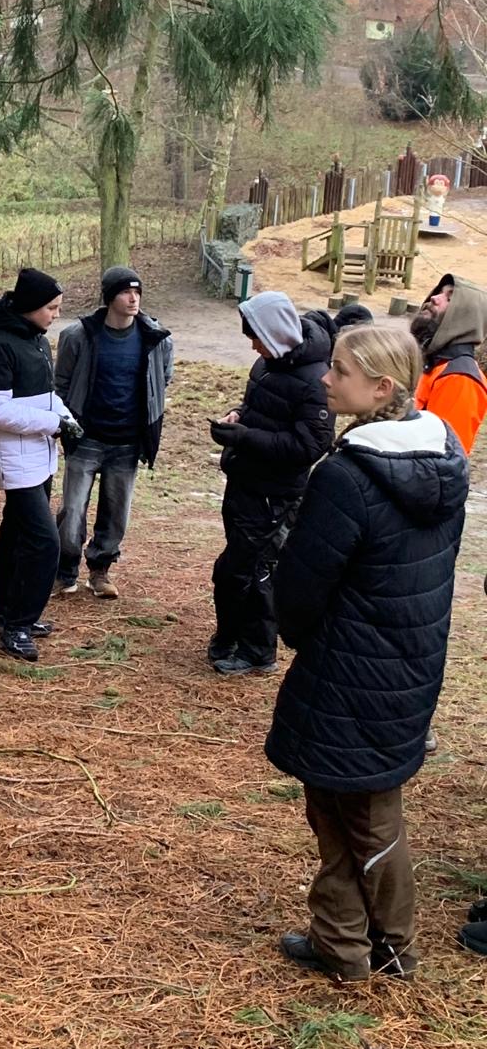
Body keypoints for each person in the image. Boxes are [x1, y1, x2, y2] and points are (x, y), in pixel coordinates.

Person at [266, 324, 467, 982]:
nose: (325, 378)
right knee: (345, 805)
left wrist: (299, 632)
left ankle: (388, 950)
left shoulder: (347, 476)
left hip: (353, 669)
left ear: (381, 388)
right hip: (410, 661)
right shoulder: (443, 457)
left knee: (362, 814)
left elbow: (302, 586)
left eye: (340, 370)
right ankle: (343, 941)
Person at [208, 291, 331, 677]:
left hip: (273, 495)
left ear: (276, 333)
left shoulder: (315, 381)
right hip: (245, 481)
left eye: (255, 337)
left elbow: (309, 446)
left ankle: (258, 650)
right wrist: (237, 415)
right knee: (234, 568)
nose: (252, 345)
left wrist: (245, 437)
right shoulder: (267, 364)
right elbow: (259, 408)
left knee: (253, 570)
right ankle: (230, 636)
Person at [0, 268, 78, 664]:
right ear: (30, 306)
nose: (56, 314)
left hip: (39, 455)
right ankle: (17, 626)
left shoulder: (36, 341)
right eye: (51, 307)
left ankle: (3, 614)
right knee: (44, 542)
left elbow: (47, 396)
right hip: (15, 460)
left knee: (17, 535)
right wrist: (54, 423)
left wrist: (68, 419)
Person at [53, 265, 173, 599]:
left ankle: (100, 570)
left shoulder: (156, 338)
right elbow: (61, 383)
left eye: (137, 292)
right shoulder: (79, 336)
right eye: (125, 292)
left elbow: (162, 379)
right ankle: (65, 570)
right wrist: (65, 424)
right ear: (109, 298)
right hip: (86, 439)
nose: (133, 298)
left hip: (127, 443)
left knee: (117, 512)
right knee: (72, 510)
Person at [410, 273, 487, 456]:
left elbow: (443, 459)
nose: (434, 298)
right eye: (439, 292)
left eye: (449, 298)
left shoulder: (460, 378)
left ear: (465, 318)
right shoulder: (433, 364)